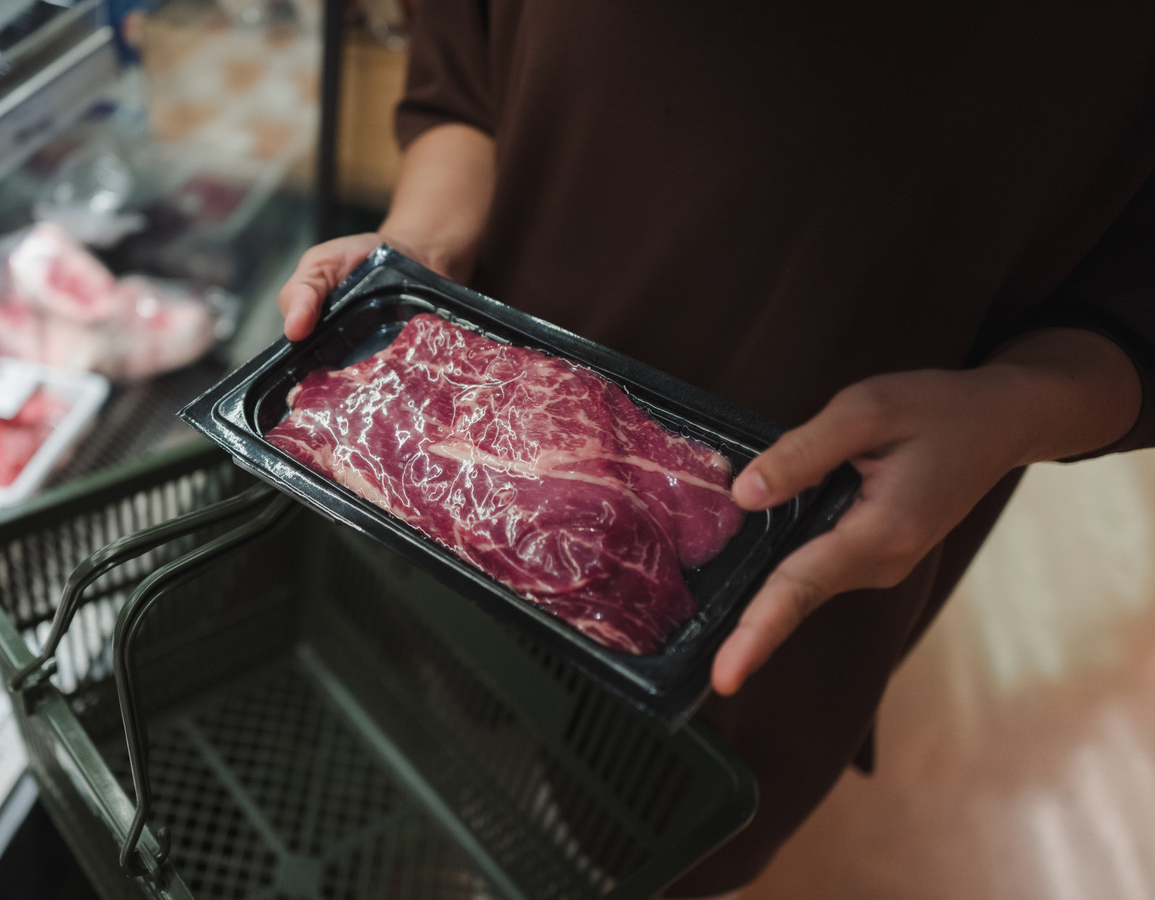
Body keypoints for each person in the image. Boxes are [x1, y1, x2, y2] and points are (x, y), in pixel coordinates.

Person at [276, 2, 1155, 896]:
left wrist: (1017, 409)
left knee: (624, 839)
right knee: (438, 716)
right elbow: (463, 70)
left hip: (797, 534)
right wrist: (421, 243)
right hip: (451, 438)